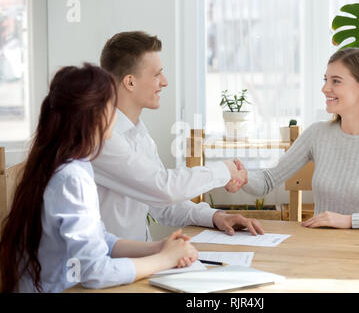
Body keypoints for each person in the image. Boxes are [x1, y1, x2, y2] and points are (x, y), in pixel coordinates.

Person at [0, 64, 198, 293]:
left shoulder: (69, 164)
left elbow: (100, 239)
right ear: (97, 113)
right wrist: (164, 260)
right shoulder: (71, 177)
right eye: (113, 106)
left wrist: (157, 248)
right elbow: (95, 271)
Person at [231, 48, 359, 230]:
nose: (325, 88)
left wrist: (348, 221)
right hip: (318, 247)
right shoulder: (317, 133)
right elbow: (267, 180)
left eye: (335, 81)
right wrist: (243, 177)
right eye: (325, 80)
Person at [92, 31, 264, 241]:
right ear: (130, 82)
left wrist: (216, 217)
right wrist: (225, 170)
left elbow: (161, 204)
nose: (164, 82)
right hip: (108, 267)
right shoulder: (101, 136)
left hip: (135, 264)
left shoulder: (139, 134)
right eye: (156, 74)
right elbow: (162, 188)